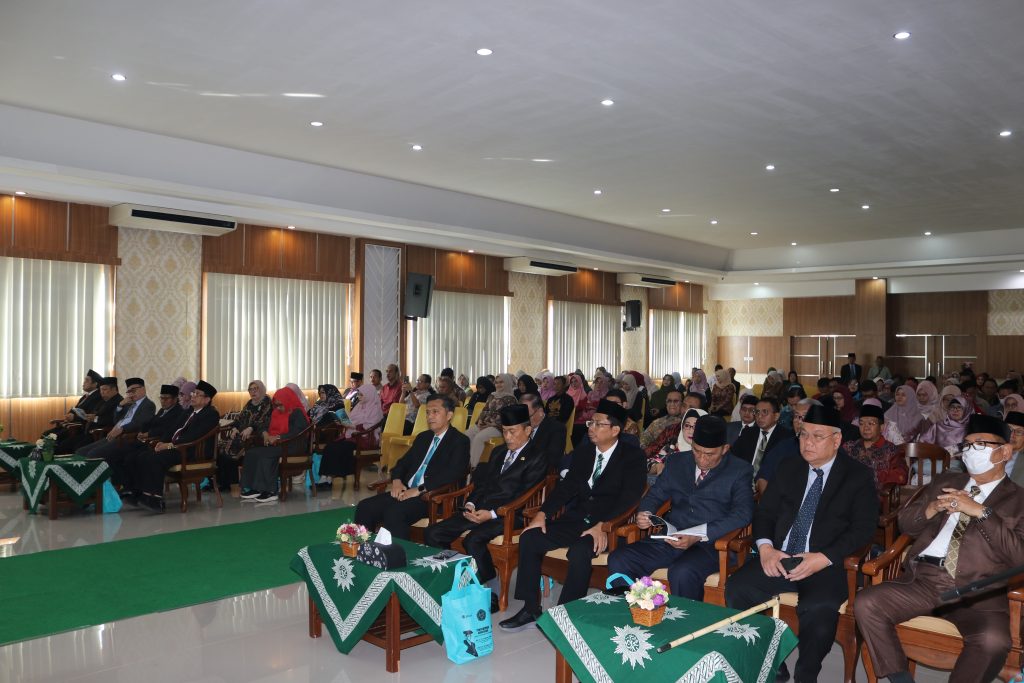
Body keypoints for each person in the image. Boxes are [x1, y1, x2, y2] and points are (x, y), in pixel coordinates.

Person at [856, 414, 1024, 683]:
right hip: (924, 580)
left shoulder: (1019, 499)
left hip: (977, 593)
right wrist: (932, 508)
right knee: (867, 602)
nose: (972, 451)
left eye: (981, 444)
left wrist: (981, 512)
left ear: (1005, 451)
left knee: (993, 641)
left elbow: (1019, 557)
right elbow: (906, 524)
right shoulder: (947, 481)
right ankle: (901, 680)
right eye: (967, 445)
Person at [725, 405, 878, 683]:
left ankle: (806, 674)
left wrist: (823, 557)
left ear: (836, 440)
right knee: (738, 589)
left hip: (825, 563)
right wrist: (765, 548)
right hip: (781, 556)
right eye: (804, 434)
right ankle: (773, 663)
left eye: (817, 436)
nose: (807, 442)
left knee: (819, 609)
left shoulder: (857, 475)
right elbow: (765, 512)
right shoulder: (790, 466)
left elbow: (863, 529)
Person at [499, 399, 645, 632]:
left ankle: (565, 614)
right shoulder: (585, 451)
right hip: (576, 519)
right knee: (530, 537)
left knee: (579, 551)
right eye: (590, 423)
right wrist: (542, 514)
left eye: (598, 424)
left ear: (615, 430)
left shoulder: (632, 456)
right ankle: (530, 608)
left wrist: (603, 525)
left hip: (609, 526)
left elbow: (630, 498)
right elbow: (566, 488)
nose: (591, 428)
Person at [608, 415, 754, 599]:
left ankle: (686, 617)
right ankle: (636, 608)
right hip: (672, 537)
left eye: (709, 454)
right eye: (697, 451)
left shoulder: (739, 470)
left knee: (682, 572)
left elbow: (742, 514)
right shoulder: (677, 462)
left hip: (711, 544)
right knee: (620, 558)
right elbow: (655, 494)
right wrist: (645, 512)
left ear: (725, 449)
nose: (702, 459)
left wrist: (698, 535)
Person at [424, 404, 548, 612]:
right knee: (434, 533)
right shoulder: (498, 452)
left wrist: (491, 514)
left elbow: (524, 495)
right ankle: (454, 583)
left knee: (474, 539)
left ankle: (489, 592)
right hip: (481, 509)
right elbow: (481, 484)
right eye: (504, 431)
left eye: (512, 431)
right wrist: (471, 504)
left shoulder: (537, 456)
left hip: (511, 514)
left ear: (527, 430)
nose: (507, 437)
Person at [354, 396, 470, 538]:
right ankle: (364, 546)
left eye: (435, 412)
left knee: (395, 512)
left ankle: (397, 551)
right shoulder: (423, 437)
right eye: (428, 412)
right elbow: (402, 463)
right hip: (407, 492)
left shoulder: (460, 441)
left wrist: (419, 489)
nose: (430, 416)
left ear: (449, 415)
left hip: (434, 497)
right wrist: (397, 480)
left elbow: (453, 473)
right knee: (365, 506)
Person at [131, 381, 221, 513]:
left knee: (156, 459)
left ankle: (156, 500)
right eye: (193, 393)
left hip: (193, 452)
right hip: (179, 448)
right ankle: (142, 495)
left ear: (207, 399)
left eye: (197, 394)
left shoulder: (211, 414)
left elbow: (194, 437)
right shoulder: (189, 411)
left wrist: (169, 446)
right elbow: (173, 429)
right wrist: (161, 442)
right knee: (143, 456)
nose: (193, 396)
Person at [238, 387, 311, 502]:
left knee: (266, 455)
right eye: (276, 405)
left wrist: (278, 437)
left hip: (293, 446)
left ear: (288, 401)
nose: (278, 408)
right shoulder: (276, 413)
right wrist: (265, 434)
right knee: (252, 453)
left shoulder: (297, 412)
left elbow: (298, 431)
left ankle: (271, 491)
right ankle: (254, 488)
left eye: (280, 405)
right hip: (278, 445)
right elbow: (263, 425)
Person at [119, 384, 187, 498]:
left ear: (175, 399)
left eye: (166, 398)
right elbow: (150, 422)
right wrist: (142, 431)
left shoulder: (179, 412)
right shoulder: (162, 410)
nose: (163, 401)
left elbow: (168, 430)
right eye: (161, 398)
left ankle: (142, 492)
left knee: (138, 456)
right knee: (127, 454)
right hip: (150, 441)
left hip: (159, 443)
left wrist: (149, 434)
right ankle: (130, 489)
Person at [317, 382, 385, 482]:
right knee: (330, 447)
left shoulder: (375, 409)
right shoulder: (359, 406)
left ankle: (331, 476)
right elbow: (350, 420)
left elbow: (369, 427)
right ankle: (324, 476)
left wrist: (351, 426)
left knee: (340, 448)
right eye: (358, 394)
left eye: (361, 394)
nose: (358, 396)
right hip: (352, 436)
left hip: (364, 439)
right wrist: (342, 422)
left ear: (369, 395)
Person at [75, 377, 155, 459]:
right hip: (115, 435)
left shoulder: (148, 405)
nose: (131, 394)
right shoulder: (128, 404)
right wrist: (120, 405)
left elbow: (139, 423)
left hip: (128, 438)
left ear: (143, 389)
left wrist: (121, 429)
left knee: (93, 454)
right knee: (81, 451)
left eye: (133, 390)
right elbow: (116, 420)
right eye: (129, 391)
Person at [842, 404, 908, 495]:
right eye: (861, 423)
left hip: (876, 498)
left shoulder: (891, 450)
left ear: (881, 427)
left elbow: (902, 476)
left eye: (871, 423)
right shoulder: (849, 447)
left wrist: (873, 476)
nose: (865, 428)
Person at [730, 397, 794, 482]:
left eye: (765, 412)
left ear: (776, 416)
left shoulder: (786, 438)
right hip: (743, 480)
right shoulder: (748, 432)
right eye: (757, 412)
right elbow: (733, 457)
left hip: (769, 483)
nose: (759, 416)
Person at [56, 377, 123, 454]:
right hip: (87, 433)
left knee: (77, 448)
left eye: (104, 389)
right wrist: (88, 416)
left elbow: (113, 420)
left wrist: (95, 419)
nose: (102, 392)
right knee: (64, 444)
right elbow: (94, 414)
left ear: (114, 389)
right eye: (101, 390)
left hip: (99, 434)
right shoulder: (102, 401)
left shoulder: (119, 402)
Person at [463, 373, 517, 467]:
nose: (498, 385)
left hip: (498, 428)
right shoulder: (492, 395)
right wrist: (480, 421)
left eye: (501, 382)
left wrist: (492, 425)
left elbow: (508, 418)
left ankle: (474, 468)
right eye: (496, 382)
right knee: (466, 435)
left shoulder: (511, 399)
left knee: (479, 438)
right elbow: (485, 410)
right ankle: (464, 464)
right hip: (484, 424)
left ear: (507, 383)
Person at [44, 369, 105, 439]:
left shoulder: (97, 397)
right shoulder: (85, 396)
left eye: (87, 380)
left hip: (79, 428)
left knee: (51, 437)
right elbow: (75, 409)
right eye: (84, 380)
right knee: (46, 434)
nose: (83, 382)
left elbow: (89, 415)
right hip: (72, 425)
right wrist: (69, 415)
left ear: (95, 384)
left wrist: (74, 418)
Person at [520, 393, 567, 471]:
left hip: (538, 472)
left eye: (528, 416)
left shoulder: (556, 428)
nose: (524, 421)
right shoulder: (520, 426)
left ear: (540, 412)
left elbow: (552, 461)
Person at [640, 389, 684, 457]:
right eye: (669, 401)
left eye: (676, 401)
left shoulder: (686, 424)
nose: (672, 404)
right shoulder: (657, 423)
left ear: (682, 404)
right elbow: (642, 442)